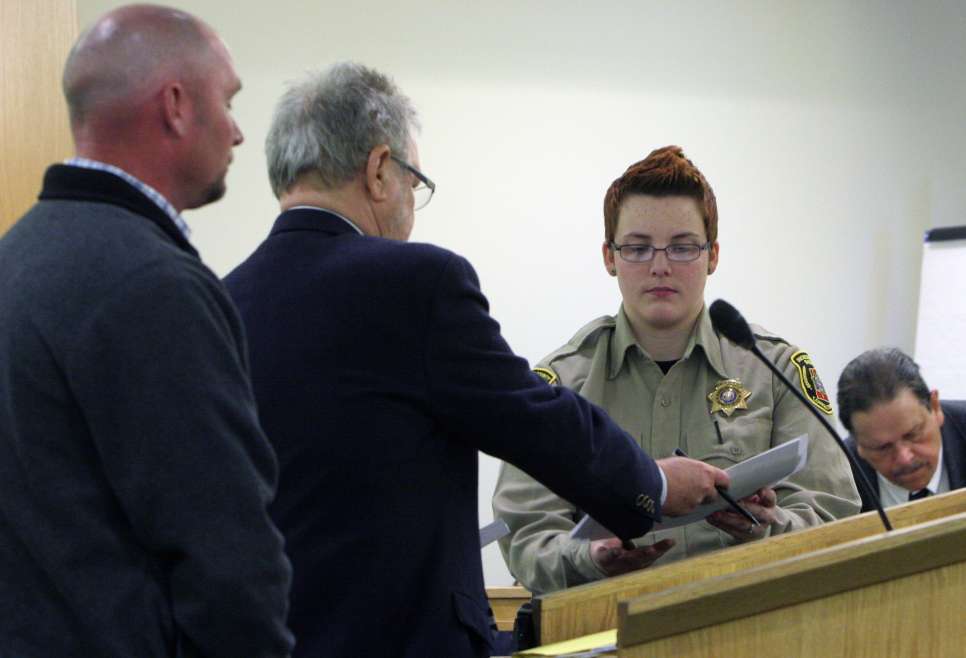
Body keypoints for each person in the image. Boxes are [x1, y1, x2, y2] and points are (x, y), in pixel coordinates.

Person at [223, 63, 728, 658]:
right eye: (414, 182)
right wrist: (655, 482)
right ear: (380, 170)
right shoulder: (416, 282)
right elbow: (529, 415)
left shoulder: (222, 301)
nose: (412, 203)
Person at [0, 6, 293, 657]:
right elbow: (227, 557)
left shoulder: (16, 259)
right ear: (177, 106)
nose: (239, 132)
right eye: (229, 99)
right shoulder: (152, 285)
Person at [493, 146, 861, 595]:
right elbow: (526, 535)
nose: (660, 266)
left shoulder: (775, 369)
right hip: (607, 633)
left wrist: (768, 525)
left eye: (683, 247)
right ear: (610, 257)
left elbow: (835, 515)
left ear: (713, 256)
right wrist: (589, 558)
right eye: (638, 248)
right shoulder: (559, 385)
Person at [838, 347, 966, 510]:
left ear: (934, 407)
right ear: (858, 444)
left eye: (913, 435)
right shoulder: (838, 477)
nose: (904, 458)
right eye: (882, 448)